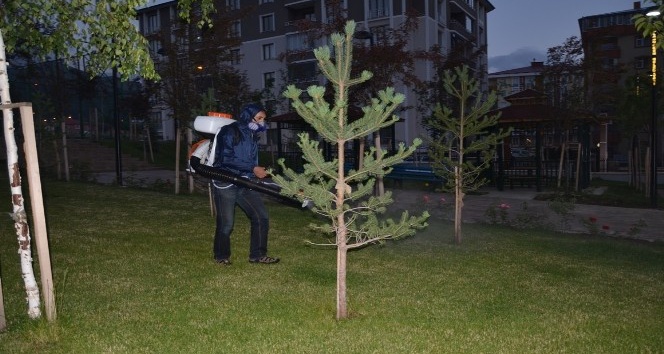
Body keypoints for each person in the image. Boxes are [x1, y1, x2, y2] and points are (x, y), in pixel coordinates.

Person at [210, 103, 279, 265]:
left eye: (264, 119)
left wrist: (255, 171)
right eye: (260, 118)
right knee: (226, 224)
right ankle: (221, 256)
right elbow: (225, 159)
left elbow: (248, 159)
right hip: (226, 182)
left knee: (261, 216)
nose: (262, 122)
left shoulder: (252, 134)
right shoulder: (229, 131)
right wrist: (252, 168)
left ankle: (257, 255)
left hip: (244, 182)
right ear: (249, 116)